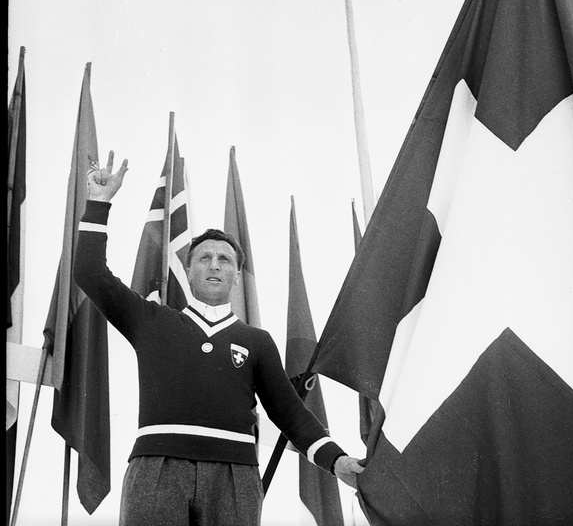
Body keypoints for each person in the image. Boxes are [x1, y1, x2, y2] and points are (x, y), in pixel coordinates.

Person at [74, 151, 364, 526]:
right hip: (156, 468)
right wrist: (98, 205)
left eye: (225, 260)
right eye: (204, 258)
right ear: (190, 272)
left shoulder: (256, 341)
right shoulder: (151, 320)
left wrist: (337, 460)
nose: (214, 265)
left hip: (235, 475)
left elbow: (290, 412)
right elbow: (89, 274)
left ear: (237, 276)